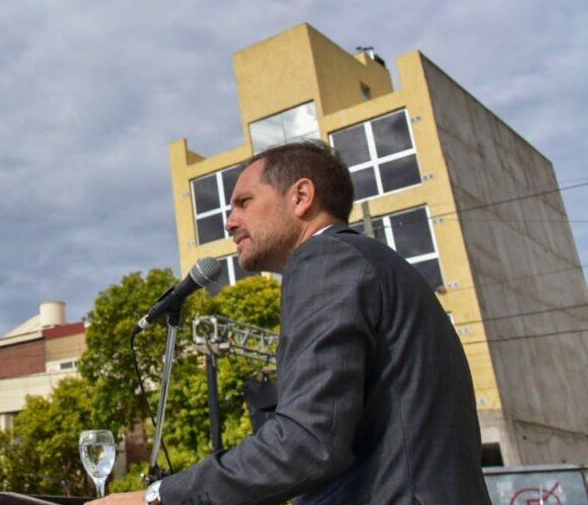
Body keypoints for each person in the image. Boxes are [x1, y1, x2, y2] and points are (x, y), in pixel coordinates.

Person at [91, 140, 488, 505]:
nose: (230, 222)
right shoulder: (373, 264)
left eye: (244, 202)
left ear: (301, 197)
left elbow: (307, 441)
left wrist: (156, 498)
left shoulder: (327, 260)